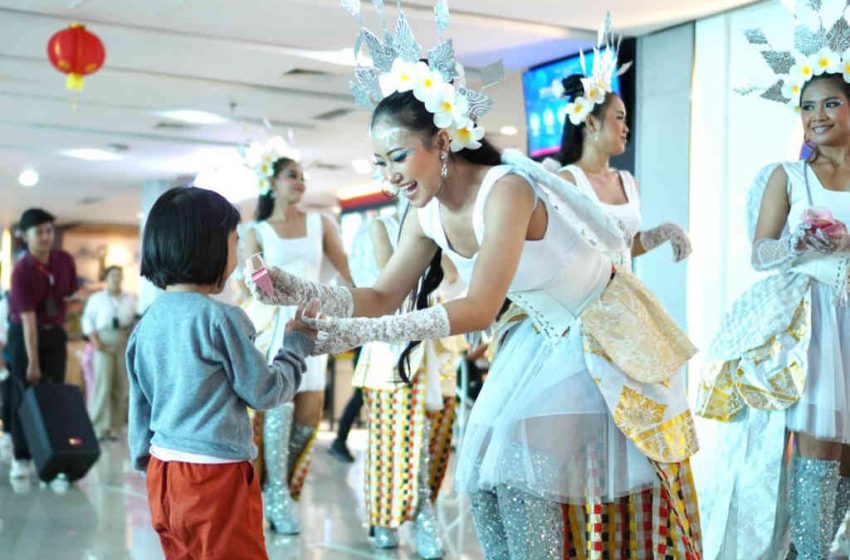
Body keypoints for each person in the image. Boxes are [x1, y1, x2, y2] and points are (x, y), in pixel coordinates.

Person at [248, 6, 701, 557]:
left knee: (516, 475)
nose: (389, 175)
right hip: (538, 334)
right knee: (479, 483)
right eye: (380, 162)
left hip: (598, 332)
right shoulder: (426, 210)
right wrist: (292, 287)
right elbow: (382, 294)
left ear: (441, 142)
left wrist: (357, 334)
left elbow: (481, 307)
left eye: (398, 157)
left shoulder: (506, 189)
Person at [127, 186, 315, 560]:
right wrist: (295, 346)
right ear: (210, 248)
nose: (237, 255)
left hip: (164, 472)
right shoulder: (221, 319)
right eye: (234, 243)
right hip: (216, 477)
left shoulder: (147, 323)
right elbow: (265, 392)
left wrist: (145, 459)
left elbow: (140, 403)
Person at [240, 154, 353, 535]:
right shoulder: (257, 230)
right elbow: (251, 279)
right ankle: (272, 494)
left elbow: (348, 270)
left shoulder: (321, 224)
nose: (300, 182)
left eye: (303, 176)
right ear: (272, 183)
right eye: (291, 176)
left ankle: (286, 488)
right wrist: (274, 293)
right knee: (277, 410)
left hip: (311, 324)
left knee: (308, 416)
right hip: (273, 326)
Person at [351, 213, 464, 556]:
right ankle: (399, 517)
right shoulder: (381, 225)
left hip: (439, 353)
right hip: (393, 354)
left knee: (437, 443)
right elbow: (391, 286)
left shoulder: (443, 225)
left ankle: (416, 513)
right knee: (396, 444)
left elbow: (456, 279)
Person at [555, 75, 692, 269]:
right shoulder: (567, 181)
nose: (626, 129)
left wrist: (666, 231)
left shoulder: (628, 182)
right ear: (591, 123)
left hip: (623, 289)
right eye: (619, 118)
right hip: (583, 293)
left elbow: (625, 247)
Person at [3, 208, 78, 480]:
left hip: (54, 333)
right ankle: (21, 457)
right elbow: (28, 321)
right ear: (25, 236)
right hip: (24, 335)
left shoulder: (64, 260)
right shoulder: (21, 271)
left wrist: (63, 331)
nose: (46, 237)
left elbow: (68, 297)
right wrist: (33, 363)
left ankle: (54, 456)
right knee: (25, 395)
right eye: (40, 232)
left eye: (49, 231)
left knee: (54, 396)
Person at [81, 266, 136, 441]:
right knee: (102, 384)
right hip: (103, 341)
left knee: (120, 386)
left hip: (122, 339)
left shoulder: (129, 298)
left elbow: (132, 320)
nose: (116, 279)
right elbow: (87, 319)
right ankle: (97, 426)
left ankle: (115, 427)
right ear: (107, 277)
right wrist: (94, 340)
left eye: (119, 276)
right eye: (113, 275)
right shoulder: (97, 298)